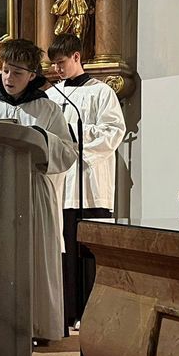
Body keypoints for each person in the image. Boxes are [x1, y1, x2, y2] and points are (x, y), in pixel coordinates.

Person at [0, 39, 77, 343]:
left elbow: (67, 153)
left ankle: (36, 326)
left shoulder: (48, 109)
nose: (8, 78)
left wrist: (39, 137)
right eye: (4, 71)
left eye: (17, 73)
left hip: (32, 191)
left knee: (34, 257)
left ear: (32, 75)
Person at [46, 34, 126, 332]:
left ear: (77, 57)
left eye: (62, 63)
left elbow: (113, 132)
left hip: (90, 184)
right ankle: (66, 312)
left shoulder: (101, 92)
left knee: (89, 253)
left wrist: (75, 137)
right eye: (54, 64)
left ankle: (91, 312)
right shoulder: (52, 96)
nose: (58, 70)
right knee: (64, 251)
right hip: (61, 186)